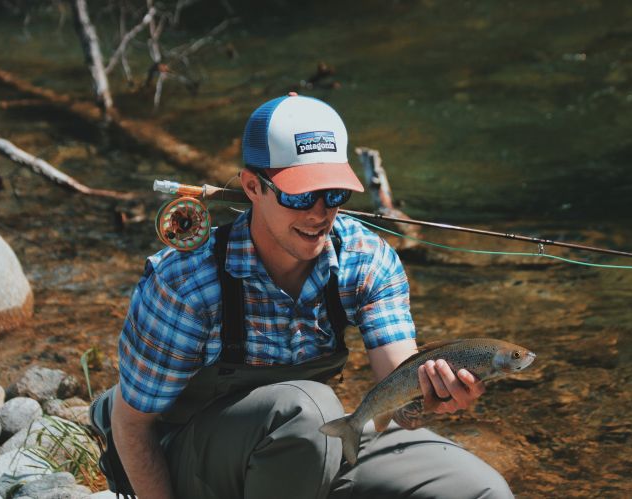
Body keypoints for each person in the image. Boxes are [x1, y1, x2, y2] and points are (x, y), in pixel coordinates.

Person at [110, 92, 514, 498]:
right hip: (192, 465)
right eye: (300, 196)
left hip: (306, 450)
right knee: (307, 409)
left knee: (479, 491)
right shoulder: (187, 282)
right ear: (253, 186)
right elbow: (130, 425)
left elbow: (400, 391)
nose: (319, 213)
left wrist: (434, 394)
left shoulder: (367, 261)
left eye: (334, 194)